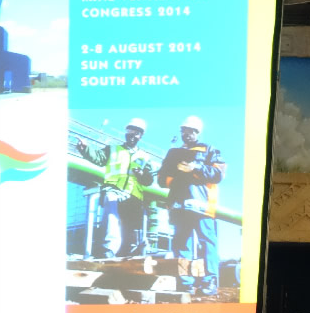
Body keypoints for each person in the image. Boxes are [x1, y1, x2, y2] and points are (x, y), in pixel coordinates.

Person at [157, 116, 225, 296]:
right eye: (184, 131)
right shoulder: (173, 153)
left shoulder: (209, 149)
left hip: (201, 205)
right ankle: (184, 283)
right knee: (181, 244)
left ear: (198, 132)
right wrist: (177, 175)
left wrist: (195, 168)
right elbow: (161, 179)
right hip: (179, 206)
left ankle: (210, 282)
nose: (187, 134)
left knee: (207, 243)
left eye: (191, 131)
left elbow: (218, 174)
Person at [76, 118, 154, 258]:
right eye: (129, 131)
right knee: (112, 213)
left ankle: (128, 251)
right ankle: (109, 248)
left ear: (140, 136)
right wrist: (85, 149)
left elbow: (148, 180)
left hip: (133, 196)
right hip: (113, 190)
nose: (132, 134)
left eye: (136, 132)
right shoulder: (113, 149)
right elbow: (98, 157)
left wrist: (142, 174)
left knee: (130, 228)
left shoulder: (144, 157)